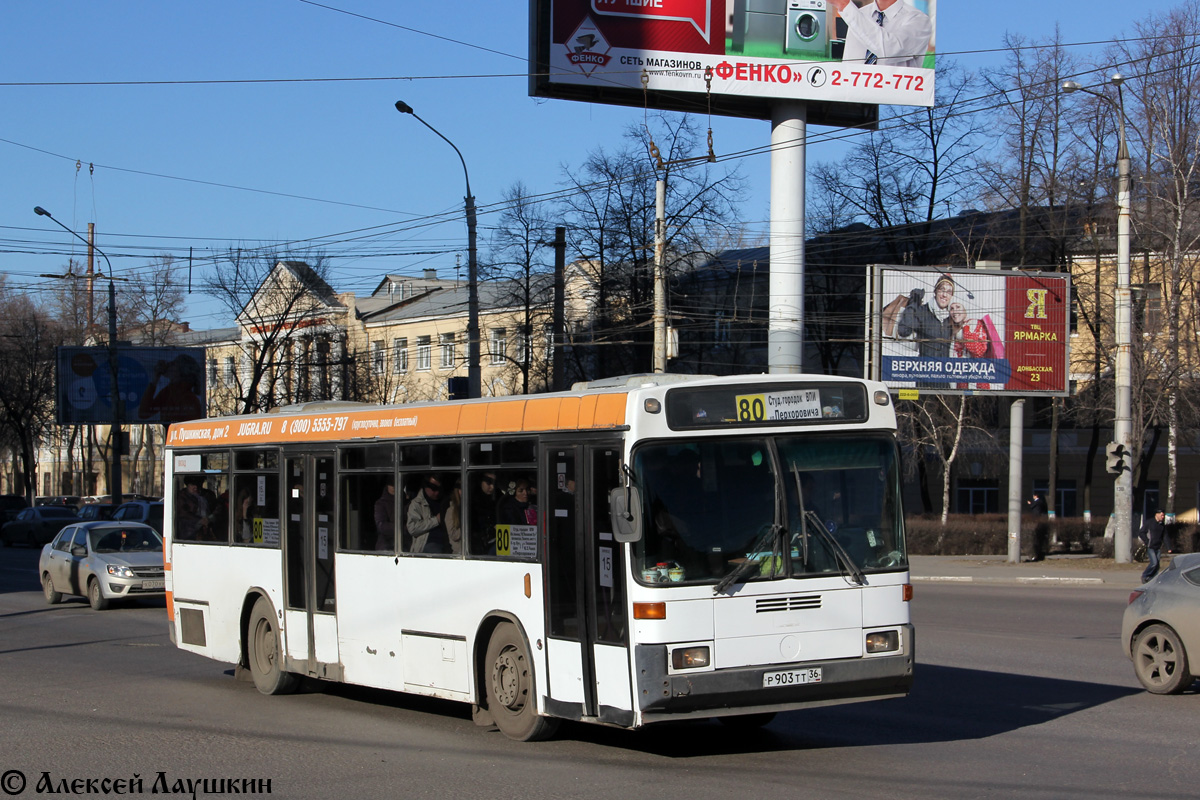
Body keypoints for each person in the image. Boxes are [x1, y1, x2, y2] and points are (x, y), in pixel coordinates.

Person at [830, 0, 933, 70]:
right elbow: (849, 63)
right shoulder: (858, 14)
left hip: (892, 99)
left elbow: (890, 51)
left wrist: (844, 5)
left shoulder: (919, 19)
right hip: (855, 96)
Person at [407, 475, 448, 554]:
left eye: (439, 489)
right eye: (433, 488)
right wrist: (436, 520)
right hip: (428, 544)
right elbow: (412, 528)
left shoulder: (446, 501)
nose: (437, 492)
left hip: (447, 542)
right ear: (425, 486)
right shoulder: (417, 504)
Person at [470, 471, 498, 554]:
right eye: (488, 482)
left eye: (494, 483)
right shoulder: (472, 500)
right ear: (480, 482)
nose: (492, 487)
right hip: (478, 543)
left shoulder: (498, 498)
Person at [1138, 509, 1167, 583]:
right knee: (1154, 563)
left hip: (1158, 547)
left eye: (1163, 515)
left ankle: (1153, 579)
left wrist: (1169, 547)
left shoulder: (1162, 525)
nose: (1163, 517)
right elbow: (1141, 532)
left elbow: (1165, 536)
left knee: (1157, 565)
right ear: (1156, 514)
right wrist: (1147, 541)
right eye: (1161, 515)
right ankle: (1145, 575)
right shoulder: (1150, 522)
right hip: (1150, 546)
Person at [374, 479, 395, 551]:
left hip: (405, 544)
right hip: (386, 545)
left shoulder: (407, 503)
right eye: (392, 485)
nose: (394, 487)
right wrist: (401, 529)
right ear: (387, 486)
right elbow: (381, 526)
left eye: (396, 484)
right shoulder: (380, 504)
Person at [444, 479, 463, 554]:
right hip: (458, 552)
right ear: (457, 491)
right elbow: (453, 535)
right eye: (461, 489)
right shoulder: (451, 511)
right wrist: (466, 529)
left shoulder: (471, 508)